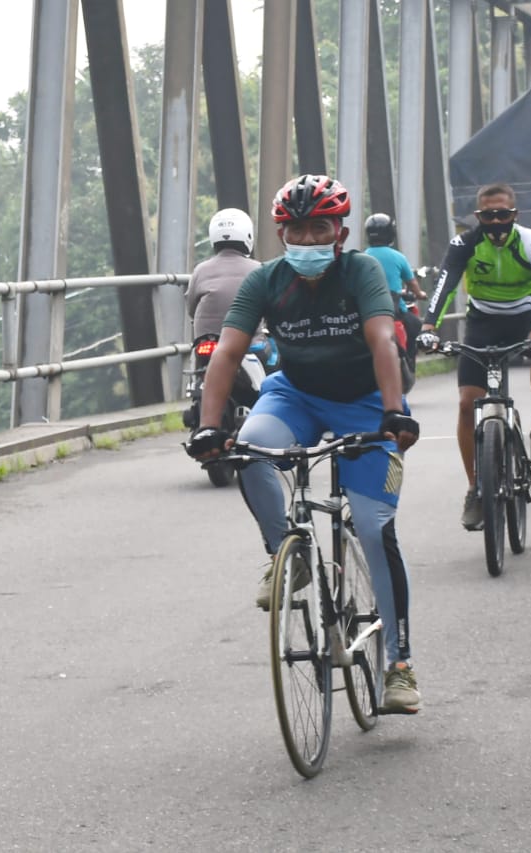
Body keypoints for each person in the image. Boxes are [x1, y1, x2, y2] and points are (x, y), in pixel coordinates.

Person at [185, 174, 424, 714]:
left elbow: (383, 340)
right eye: (297, 230)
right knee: (250, 449)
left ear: (340, 231)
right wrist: (208, 426)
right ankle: (283, 554)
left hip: (365, 400)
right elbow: (226, 352)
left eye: (320, 228)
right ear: (280, 234)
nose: (310, 241)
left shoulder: (360, 271)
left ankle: (400, 665)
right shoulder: (266, 280)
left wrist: (392, 411)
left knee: (373, 527)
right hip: (294, 394)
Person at [418, 182, 531, 531]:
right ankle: (475, 489)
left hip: (524, 316)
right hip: (482, 322)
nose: (496, 221)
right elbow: (446, 282)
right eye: (489, 215)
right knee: (466, 404)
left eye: (503, 214)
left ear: (514, 215)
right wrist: (429, 325)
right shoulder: (465, 244)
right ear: (478, 217)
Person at [185, 208, 260, 341]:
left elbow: (191, 307)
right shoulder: (258, 269)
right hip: (246, 342)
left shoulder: (200, 270)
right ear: (248, 235)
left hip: (208, 341)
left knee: (198, 353)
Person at [364, 212, 426, 360]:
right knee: (417, 327)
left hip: (369, 310)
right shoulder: (398, 257)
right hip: (395, 310)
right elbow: (412, 282)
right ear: (391, 233)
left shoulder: (363, 257)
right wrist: (420, 294)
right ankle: (409, 361)